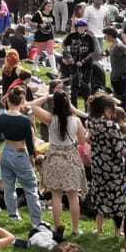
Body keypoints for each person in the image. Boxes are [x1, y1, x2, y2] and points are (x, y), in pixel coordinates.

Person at [0, 87, 45, 236]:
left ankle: (13, 215)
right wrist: (33, 159)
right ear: (22, 100)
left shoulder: (1, 117)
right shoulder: (24, 120)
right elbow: (29, 143)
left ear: (7, 99)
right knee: (30, 187)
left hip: (6, 152)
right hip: (20, 153)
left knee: (9, 186)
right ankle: (37, 220)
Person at [36, 89, 87, 237]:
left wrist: (46, 96)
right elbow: (83, 141)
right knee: (73, 196)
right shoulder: (76, 120)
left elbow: (32, 105)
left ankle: (58, 227)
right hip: (71, 158)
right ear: (68, 103)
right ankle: (76, 229)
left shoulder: (50, 119)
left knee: (56, 196)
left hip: (53, 159)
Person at [82, 94, 126, 235]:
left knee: (101, 196)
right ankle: (117, 231)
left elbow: (89, 140)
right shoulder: (111, 126)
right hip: (113, 168)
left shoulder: (90, 122)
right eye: (112, 109)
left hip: (97, 165)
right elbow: (120, 149)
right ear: (106, 109)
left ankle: (99, 228)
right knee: (117, 200)